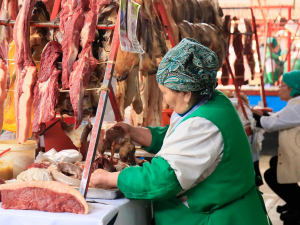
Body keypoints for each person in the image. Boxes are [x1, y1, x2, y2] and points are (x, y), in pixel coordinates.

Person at [90, 38, 269, 225]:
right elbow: (176, 136)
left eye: (165, 93)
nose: (164, 100)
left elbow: (164, 179)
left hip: (219, 218)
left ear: (186, 93)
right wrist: (133, 131)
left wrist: (112, 179)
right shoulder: (210, 99)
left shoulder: (203, 125)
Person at [252, 70, 300, 223]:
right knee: (274, 162)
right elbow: (278, 117)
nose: (279, 88)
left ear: (293, 87)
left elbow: (272, 123)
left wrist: (253, 115)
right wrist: (260, 114)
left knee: (271, 175)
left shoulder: (296, 107)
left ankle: (298, 205)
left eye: (282, 85)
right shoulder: (294, 104)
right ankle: (293, 202)